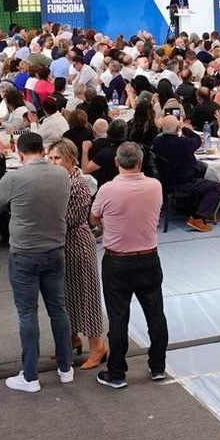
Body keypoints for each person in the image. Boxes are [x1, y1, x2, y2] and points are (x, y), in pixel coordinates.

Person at [0, 130, 75, 393]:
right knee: (58, 309)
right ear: (43, 149)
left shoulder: (14, 178)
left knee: (28, 314)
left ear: (20, 152)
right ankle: (65, 368)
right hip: (55, 250)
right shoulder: (62, 174)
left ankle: (30, 375)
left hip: (25, 253)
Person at [91, 141, 170, 388]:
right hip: (148, 258)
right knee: (156, 314)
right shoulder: (155, 186)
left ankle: (116, 372)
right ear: (140, 162)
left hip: (117, 261)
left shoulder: (107, 190)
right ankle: (158, 366)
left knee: (118, 318)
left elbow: (94, 217)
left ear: (116, 163)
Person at [46, 139, 108, 370]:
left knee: (86, 295)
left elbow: (69, 218)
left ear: (71, 159)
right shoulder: (57, 181)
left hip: (78, 244)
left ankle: (97, 346)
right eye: (50, 158)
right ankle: (71, 338)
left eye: (57, 158)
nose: (53, 162)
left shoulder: (79, 185)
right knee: (65, 294)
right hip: (62, 243)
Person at [153, 115, 220, 232]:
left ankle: (202, 210)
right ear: (177, 129)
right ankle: (198, 217)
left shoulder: (157, 141)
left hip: (165, 179)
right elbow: (197, 140)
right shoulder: (182, 143)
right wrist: (185, 128)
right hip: (182, 182)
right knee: (217, 187)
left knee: (201, 171)